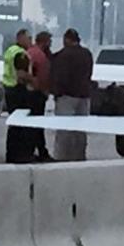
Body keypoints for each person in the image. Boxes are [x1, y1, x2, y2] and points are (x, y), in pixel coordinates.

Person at [50, 28, 93, 161]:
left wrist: (56, 93)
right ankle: (80, 155)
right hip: (84, 96)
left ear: (67, 40)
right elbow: (89, 73)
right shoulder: (87, 54)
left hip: (66, 96)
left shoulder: (62, 55)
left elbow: (58, 76)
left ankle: (61, 156)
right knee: (80, 130)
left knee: (64, 129)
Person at [2, 29, 34, 163]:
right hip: (18, 90)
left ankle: (11, 154)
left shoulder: (10, 50)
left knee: (14, 124)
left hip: (9, 88)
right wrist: (33, 80)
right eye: (28, 38)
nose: (30, 41)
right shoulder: (20, 54)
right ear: (20, 38)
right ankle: (19, 155)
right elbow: (21, 74)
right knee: (20, 126)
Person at [26, 31, 53, 162]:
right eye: (49, 41)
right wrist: (45, 90)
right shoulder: (39, 55)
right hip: (36, 93)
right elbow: (42, 76)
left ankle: (33, 150)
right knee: (36, 124)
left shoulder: (31, 52)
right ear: (45, 41)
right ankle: (41, 151)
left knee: (32, 124)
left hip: (29, 92)